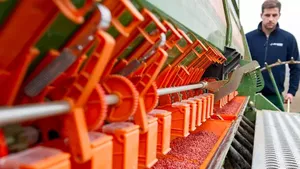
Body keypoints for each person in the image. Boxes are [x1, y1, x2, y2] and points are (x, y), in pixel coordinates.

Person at [246, 0, 300, 111]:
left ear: (279, 15)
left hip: (274, 96)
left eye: (274, 15)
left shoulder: (288, 39)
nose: (271, 19)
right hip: (250, 94)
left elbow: (295, 67)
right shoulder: (248, 38)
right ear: (261, 15)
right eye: (267, 15)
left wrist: (291, 92)